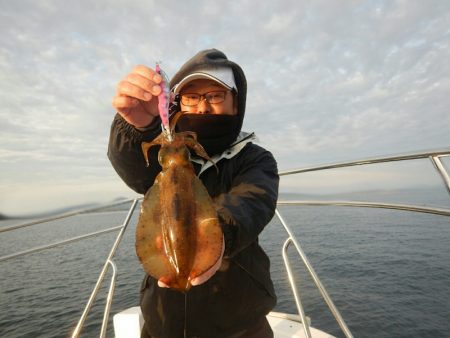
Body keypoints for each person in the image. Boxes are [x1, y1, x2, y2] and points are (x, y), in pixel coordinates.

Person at [108, 49, 279, 338]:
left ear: (236, 103)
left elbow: (252, 203)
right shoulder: (166, 153)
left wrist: (214, 239)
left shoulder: (255, 159)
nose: (202, 108)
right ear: (177, 105)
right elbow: (136, 171)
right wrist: (137, 129)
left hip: (239, 323)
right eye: (191, 97)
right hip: (162, 320)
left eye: (215, 95)